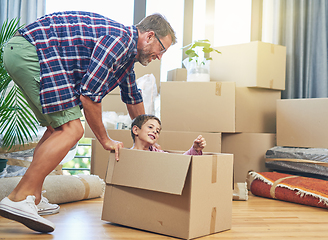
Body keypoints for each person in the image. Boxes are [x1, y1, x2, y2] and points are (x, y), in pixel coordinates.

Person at [0, 11, 176, 233]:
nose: (159, 57)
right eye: (162, 50)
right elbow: (89, 96)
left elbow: (133, 99)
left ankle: (32, 197)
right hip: (33, 51)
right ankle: (19, 197)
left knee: (57, 130)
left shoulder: (126, 59)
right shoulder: (119, 40)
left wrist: (147, 132)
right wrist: (105, 140)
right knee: (73, 130)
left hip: (27, 51)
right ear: (149, 36)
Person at [131, 114, 206, 155]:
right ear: (136, 130)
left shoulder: (158, 154)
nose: (154, 132)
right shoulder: (125, 155)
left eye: (157, 131)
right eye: (150, 127)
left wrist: (195, 149)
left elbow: (179, 162)